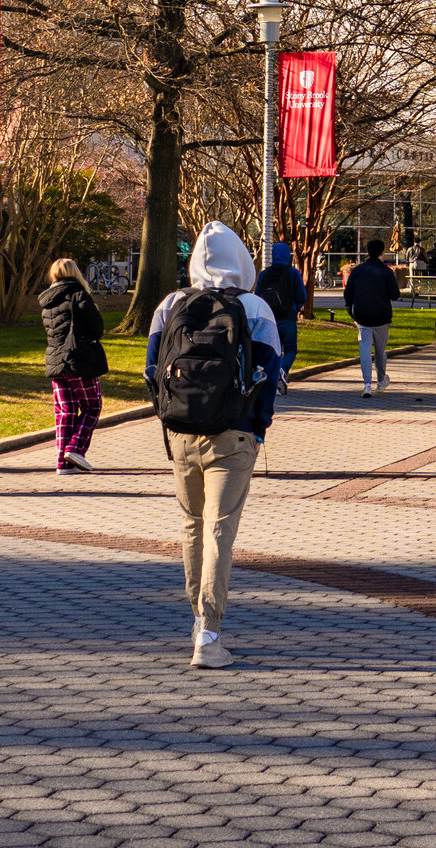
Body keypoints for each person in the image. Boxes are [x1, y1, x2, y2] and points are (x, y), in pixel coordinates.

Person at [146, 222, 288, 667]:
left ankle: (197, 618)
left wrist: (169, 420)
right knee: (219, 531)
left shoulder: (170, 305)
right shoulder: (256, 308)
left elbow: (152, 370)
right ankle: (208, 635)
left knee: (191, 526)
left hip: (181, 434)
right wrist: (259, 429)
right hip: (234, 434)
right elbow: (270, 377)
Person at [38, 257, 109, 474]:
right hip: (79, 358)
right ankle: (75, 448)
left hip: (55, 360)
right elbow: (97, 327)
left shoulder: (47, 300)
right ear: (75, 272)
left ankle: (63, 463)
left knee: (65, 412)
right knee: (92, 406)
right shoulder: (79, 294)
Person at [342, 246, 400, 395]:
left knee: (364, 350)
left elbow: (348, 293)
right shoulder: (386, 271)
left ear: (368, 252)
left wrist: (351, 311)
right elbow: (395, 294)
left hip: (362, 316)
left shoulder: (357, 271)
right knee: (380, 351)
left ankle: (367, 384)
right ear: (382, 253)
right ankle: (381, 380)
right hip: (381, 315)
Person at [254, 241, 309, 383]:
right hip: (288, 318)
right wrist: (296, 307)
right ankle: (283, 371)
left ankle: (273, 377)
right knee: (290, 350)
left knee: (273, 350)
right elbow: (302, 295)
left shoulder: (264, 275)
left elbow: (258, 294)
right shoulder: (293, 274)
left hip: (270, 318)